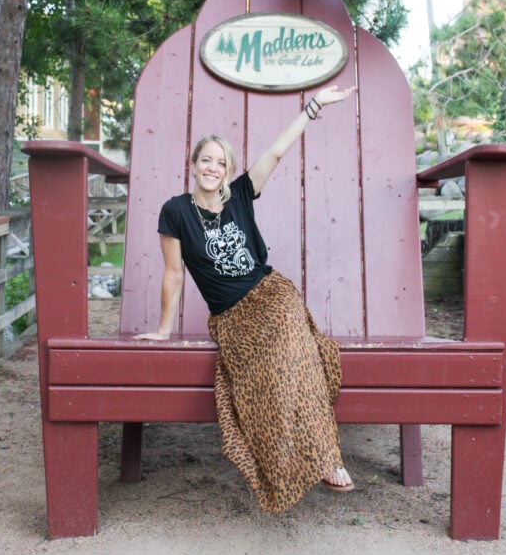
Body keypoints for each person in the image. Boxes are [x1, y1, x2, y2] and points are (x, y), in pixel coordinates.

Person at [135, 84, 357, 513]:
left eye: (222, 162)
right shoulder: (175, 211)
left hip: (271, 296)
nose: (213, 168)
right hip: (232, 316)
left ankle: (327, 456)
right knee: (271, 368)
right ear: (193, 164)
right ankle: (294, 457)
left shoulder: (239, 194)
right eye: (207, 160)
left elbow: (276, 151)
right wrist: (163, 330)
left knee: (296, 350)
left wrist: (313, 107)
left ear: (229, 169)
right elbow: (173, 273)